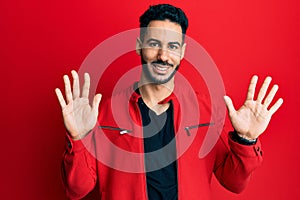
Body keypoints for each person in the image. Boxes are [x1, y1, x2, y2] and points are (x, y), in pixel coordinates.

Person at [55, 4, 283, 200]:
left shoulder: (206, 112)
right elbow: (77, 189)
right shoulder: (104, 113)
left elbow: (234, 183)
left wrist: (246, 140)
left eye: (173, 47)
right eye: (154, 44)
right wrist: (78, 139)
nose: (163, 56)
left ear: (182, 52)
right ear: (139, 46)